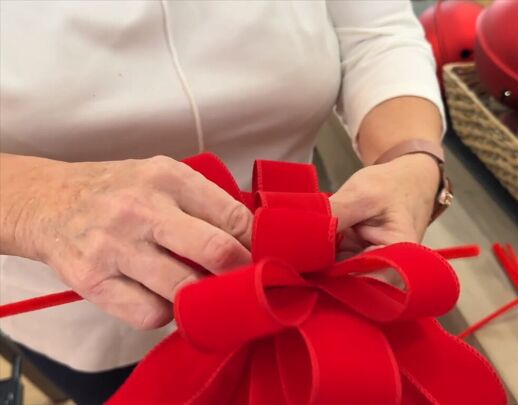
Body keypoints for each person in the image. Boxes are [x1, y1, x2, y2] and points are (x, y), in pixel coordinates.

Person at [0, 1, 447, 403]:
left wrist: (411, 157)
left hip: (308, 296)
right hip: (90, 311)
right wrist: (40, 202)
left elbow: (378, 33)